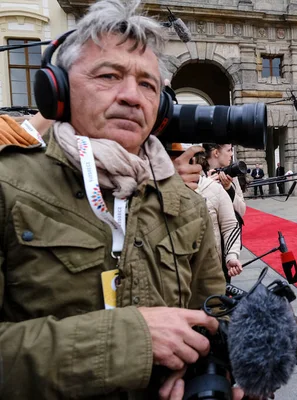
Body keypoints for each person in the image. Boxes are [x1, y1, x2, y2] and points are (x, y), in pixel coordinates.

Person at [0, 1, 241, 399]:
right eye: (109, 76)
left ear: (161, 108)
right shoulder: (9, 186)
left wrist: (221, 370)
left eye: (147, 84)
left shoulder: (187, 205)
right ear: (56, 89)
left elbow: (212, 317)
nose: (132, 96)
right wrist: (130, 341)